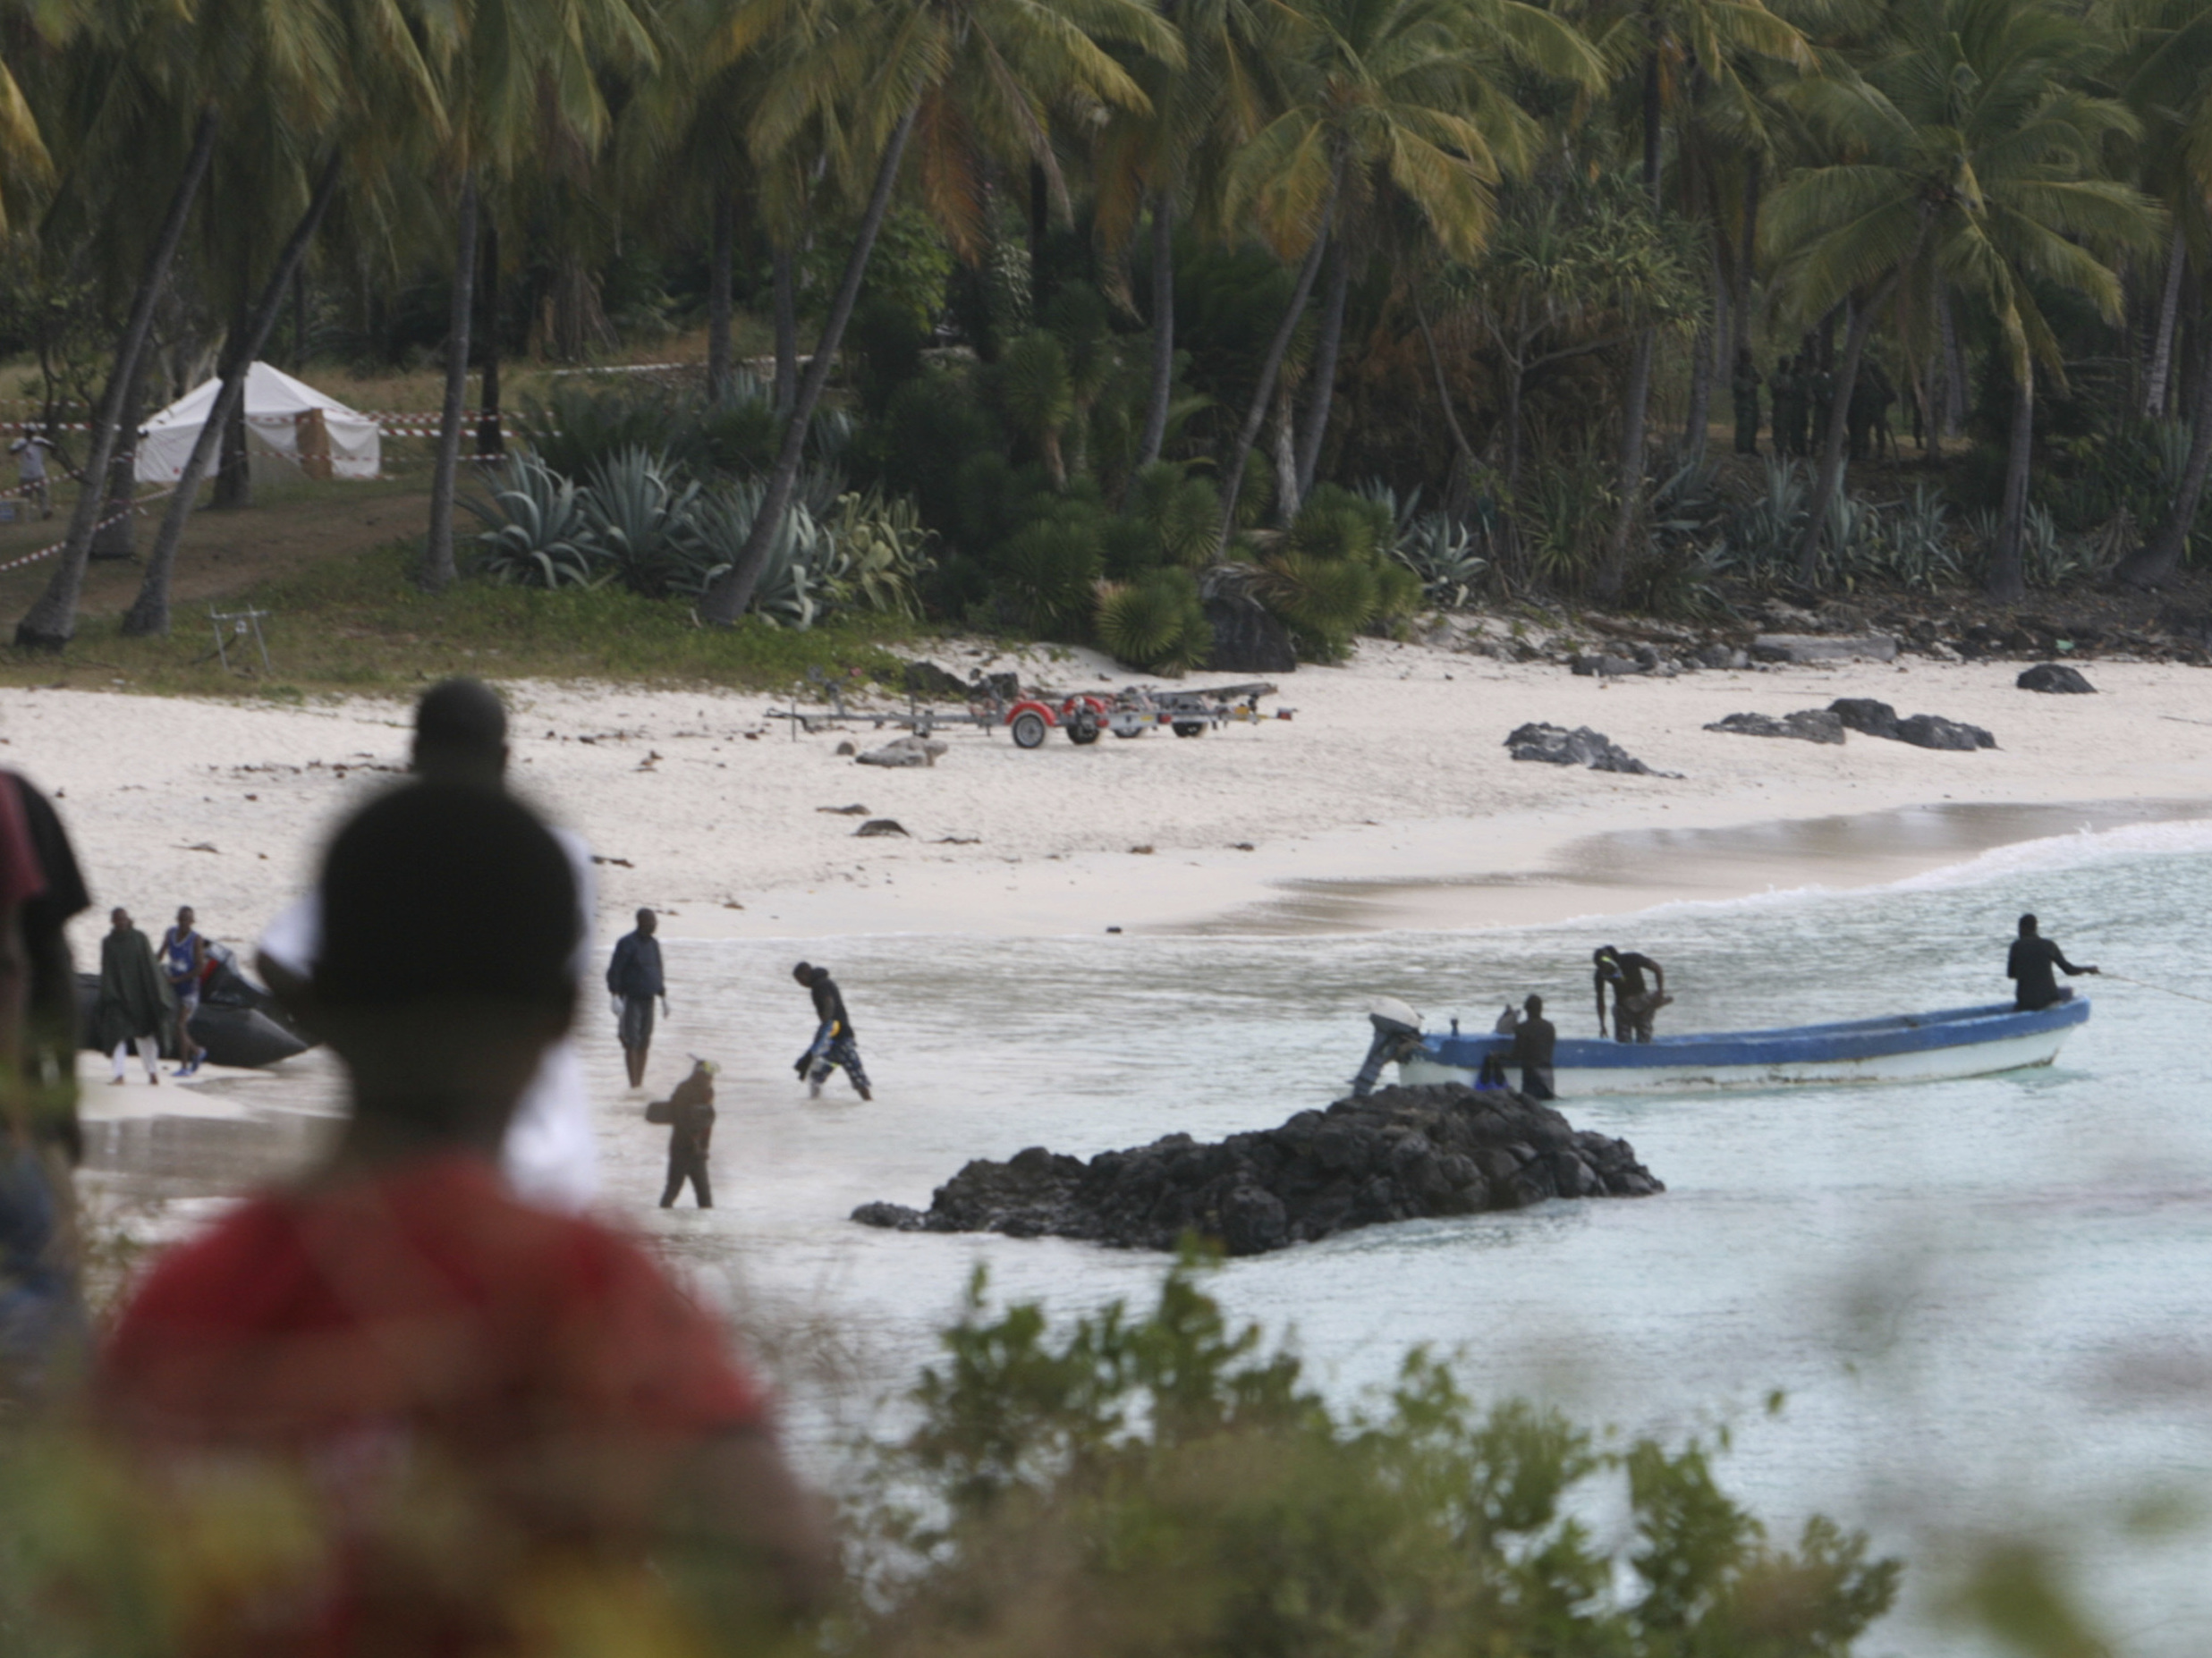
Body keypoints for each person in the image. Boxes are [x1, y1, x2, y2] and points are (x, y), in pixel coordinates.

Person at [95, 783, 833, 1650]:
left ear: (316, 1001)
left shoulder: (189, 1294)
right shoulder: (581, 1288)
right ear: (560, 1019)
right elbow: (790, 1566)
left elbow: (88, 1590)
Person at [258, 678, 601, 1212]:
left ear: (414, 752)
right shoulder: (557, 854)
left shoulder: (383, 845)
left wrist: (345, 1034)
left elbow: (276, 955)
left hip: (392, 1167)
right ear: (505, 756)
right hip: (547, 1164)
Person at [1, 769, 89, 1398]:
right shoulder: (16, 799)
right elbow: (48, 965)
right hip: (17, 1115)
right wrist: (61, 1108)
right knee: (54, 1319)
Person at [95, 909, 170, 1085]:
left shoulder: (140, 938)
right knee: (117, 1034)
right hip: (118, 997)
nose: (121, 922)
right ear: (112, 922)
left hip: (140, 995)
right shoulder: (108, 943)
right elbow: (107, 970)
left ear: (129, 920)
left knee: (146, 1036)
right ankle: (119, 1075)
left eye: (123, 919)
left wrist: (157, 991)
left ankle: (152, 1072)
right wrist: (109, 994)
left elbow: (150, 965)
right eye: (117, 919)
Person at [607, 908, 667, 1089]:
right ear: (641, 922)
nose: (654, 925)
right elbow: (615, 970)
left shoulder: (654, 944)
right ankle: (633, 1084)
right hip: (630, 999)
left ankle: (639, 1085)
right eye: (651, 922)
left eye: (655, 922)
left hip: (650, 999)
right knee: (631, 1041)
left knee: (644, 1041)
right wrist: (615, 995)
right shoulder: (626, 943)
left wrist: (663, 996)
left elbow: (658, 970)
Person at [792, 961, 870, 1101]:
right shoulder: (824, 982)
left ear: (805, 974)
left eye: (800, 980)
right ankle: (815, 1105)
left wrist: (825, 1024)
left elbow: (829, 1003)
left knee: (857, 1077)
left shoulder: (820, 985)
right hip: (831, 1042)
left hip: (841, 1039)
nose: (801, 984)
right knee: (816, 1076)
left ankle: (870, 1105)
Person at [648, 1058, 717, 1209]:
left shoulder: (708, 1093)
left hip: (698, 1153)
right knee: (672, 1190)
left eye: (711, 1076)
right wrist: (693, 1142)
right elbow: (680, 1120)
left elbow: (707, 1123)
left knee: (705, 1197)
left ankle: (706, 1232)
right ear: (699, 1074)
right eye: (708, 1076)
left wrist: (704, 1147)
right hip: (681, 1149)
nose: (711, 1079)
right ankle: (663, 1225)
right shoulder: (683, 1090)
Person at [2008, 914, 2098, 1011]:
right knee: (2065, 992)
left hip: (2025, 1003)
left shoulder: (2016, 946)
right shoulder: (2049, 945)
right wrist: (2088, 969)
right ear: (2035, 928)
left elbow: (2011, 975)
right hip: (2047, 1000)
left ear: (2022, 928)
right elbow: (2069, 970)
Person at [159, 905, 207, 1077]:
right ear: (177, 919)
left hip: (189, 989)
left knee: (180, 1025)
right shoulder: (170, 933)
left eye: (188, 919)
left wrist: (178, 979)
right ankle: (196, 1053)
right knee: (177, 1027)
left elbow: (200, 968)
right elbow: (160, 954)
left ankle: (187, 1065)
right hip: (173, 986)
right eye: (181, 919)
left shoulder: (196, 940)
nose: (184, 922)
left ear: (192, 921)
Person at [1351, 995, 1424, 1097]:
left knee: (1374, 1052)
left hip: (1376, 1014)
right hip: (1392, 1021)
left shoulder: (1403, 1009)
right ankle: (1363, 1091)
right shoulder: (1413, 1021)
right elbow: (1414, 1036)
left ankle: (1359, 1084)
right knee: (1379, 1058)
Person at [1593, 945, 1669, 1043]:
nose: (1603, 970)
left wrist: (1660, 992)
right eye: (1600, 967)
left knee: (1644, 1041)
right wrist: (1602, 1025)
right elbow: (1600, 999)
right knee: (1623, 1042)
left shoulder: (1631, 959)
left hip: (1643, 1004)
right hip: (1622, 1008)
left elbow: (1657, 968)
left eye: (1605, 966)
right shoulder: (1600, 973)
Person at [1509, 994, 1556, 1101]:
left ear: (1526, 1009)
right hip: (1548, 1077)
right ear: (1541, 1009)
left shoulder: (1522, 1029)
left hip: (1532, 1078)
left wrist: (1497, 1055)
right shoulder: (1550, 1028)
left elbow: (1516, 1056)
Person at [9, 431, 51, 518]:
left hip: (39, 474)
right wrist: (21, 446)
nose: (30, 435)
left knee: (43, 494)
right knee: (25, 497)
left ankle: (45, 512)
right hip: (25, 475)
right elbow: (11, 451)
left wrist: (43, 443)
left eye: (31, 433)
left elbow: (53, 446)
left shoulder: (39, 440)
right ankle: (25, 515)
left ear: (34, 433)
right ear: (25, 432)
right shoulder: (20, 441)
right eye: (28, 433)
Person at [1731, 351, 1763, 456]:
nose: (1749, 357)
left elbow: (1759, 379)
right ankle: (1742, 448)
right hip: (1743, 404)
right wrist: (1751, 382)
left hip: (1753, 403)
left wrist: (1752, 381)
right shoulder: (1738, 371)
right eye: (1747, 355)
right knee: (1744, 427)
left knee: (1753, 426)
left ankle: (1751, 446)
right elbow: (1743, 388)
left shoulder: (1752, 368)